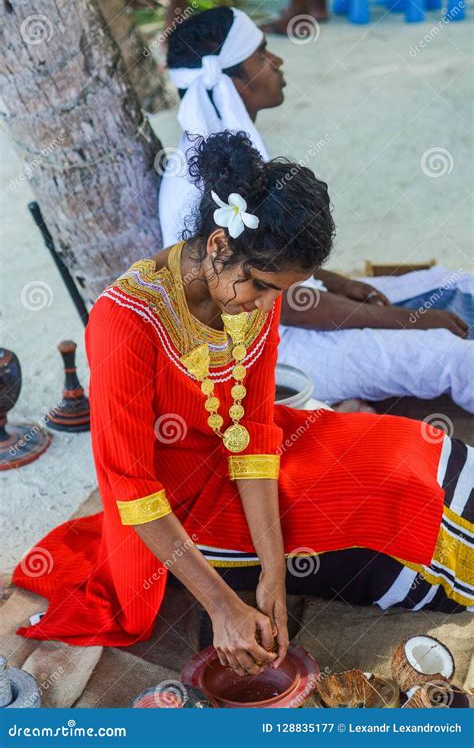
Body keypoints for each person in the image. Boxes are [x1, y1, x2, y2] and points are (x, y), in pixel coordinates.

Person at [14, 133, 473, 674]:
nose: (266, 304)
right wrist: (222, 606)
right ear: (216, 246)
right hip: (174, 508)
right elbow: (129, 487)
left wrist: (273, 568)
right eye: (258, 286)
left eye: (276, 291)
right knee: (381, 515)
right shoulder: (123, 322)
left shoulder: (252, 287)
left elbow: (254, 430)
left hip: (249, 459)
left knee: (415, 453)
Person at [159, 6, 473, 413]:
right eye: (262, 55)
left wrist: (339, 282)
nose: (277, 62)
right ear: (234, 82)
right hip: (268, 347)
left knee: (454, 284)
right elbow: (275, 299)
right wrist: (402, 319)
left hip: (298, 309)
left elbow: (274, 258)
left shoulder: (225, 151)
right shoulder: (205, 179)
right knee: (453, 357)